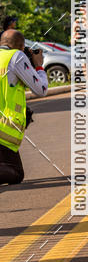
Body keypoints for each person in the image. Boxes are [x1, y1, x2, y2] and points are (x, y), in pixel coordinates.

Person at [0, 29, 48, 185]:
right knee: (16, 174)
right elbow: (41, 89)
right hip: (4, 129)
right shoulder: (16, 57)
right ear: (21, 46)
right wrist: (39, 66)